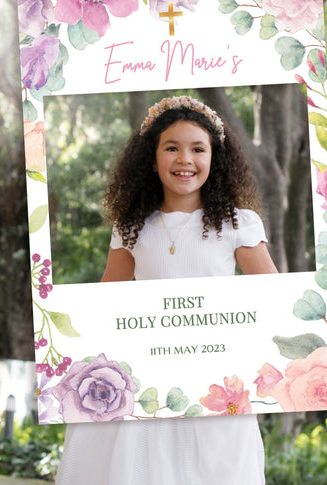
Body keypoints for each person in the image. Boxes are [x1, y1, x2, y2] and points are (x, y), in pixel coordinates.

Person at [55, 95, 278, 485]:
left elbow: (273, 299)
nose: (184, 159)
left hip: (215, 382)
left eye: (198, 149)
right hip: (149, 382)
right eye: (171, 148)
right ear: (152, 157)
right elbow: (106, 302)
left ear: (215, 158)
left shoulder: (238, 224)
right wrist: (60, 333)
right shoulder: (131, 227)